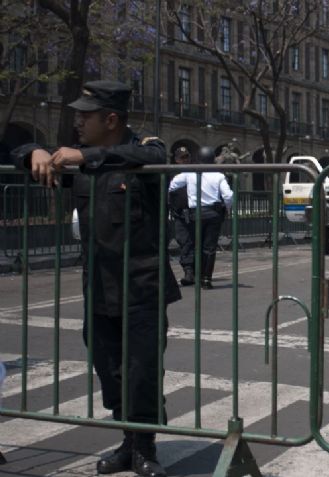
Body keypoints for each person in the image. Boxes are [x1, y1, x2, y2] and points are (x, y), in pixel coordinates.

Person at [12, 80, 180, 477]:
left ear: (111, 119)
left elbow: (154, 153)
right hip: (99, 287)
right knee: (109, 368)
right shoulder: (82, 168)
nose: (77, 124)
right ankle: (126, 440)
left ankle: (145, 446)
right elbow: (23, 156)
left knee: (142, 370)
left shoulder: (144, 156)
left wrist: (88, 155)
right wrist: (33, 151)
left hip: (142, 287)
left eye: (85, 116)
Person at [168, 146, 233, 289]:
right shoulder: (218, 175)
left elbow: (172, 186)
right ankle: (206, 279)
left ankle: (195, 275)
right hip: (214, 214)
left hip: (195, 214)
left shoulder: (190, 173)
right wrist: (227, 208)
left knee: (196, 245)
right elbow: (228, 196)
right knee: (209, 248)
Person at [168, 147, 194, 285]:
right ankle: (188, 271)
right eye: (182, 157)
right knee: (184, 241)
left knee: (196, 242)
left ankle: (199, 272)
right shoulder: (171, 173)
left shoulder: (195, 172)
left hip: (196, 213)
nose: (185, 159)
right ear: (176, 159)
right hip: (180, 214)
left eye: (187, 156)